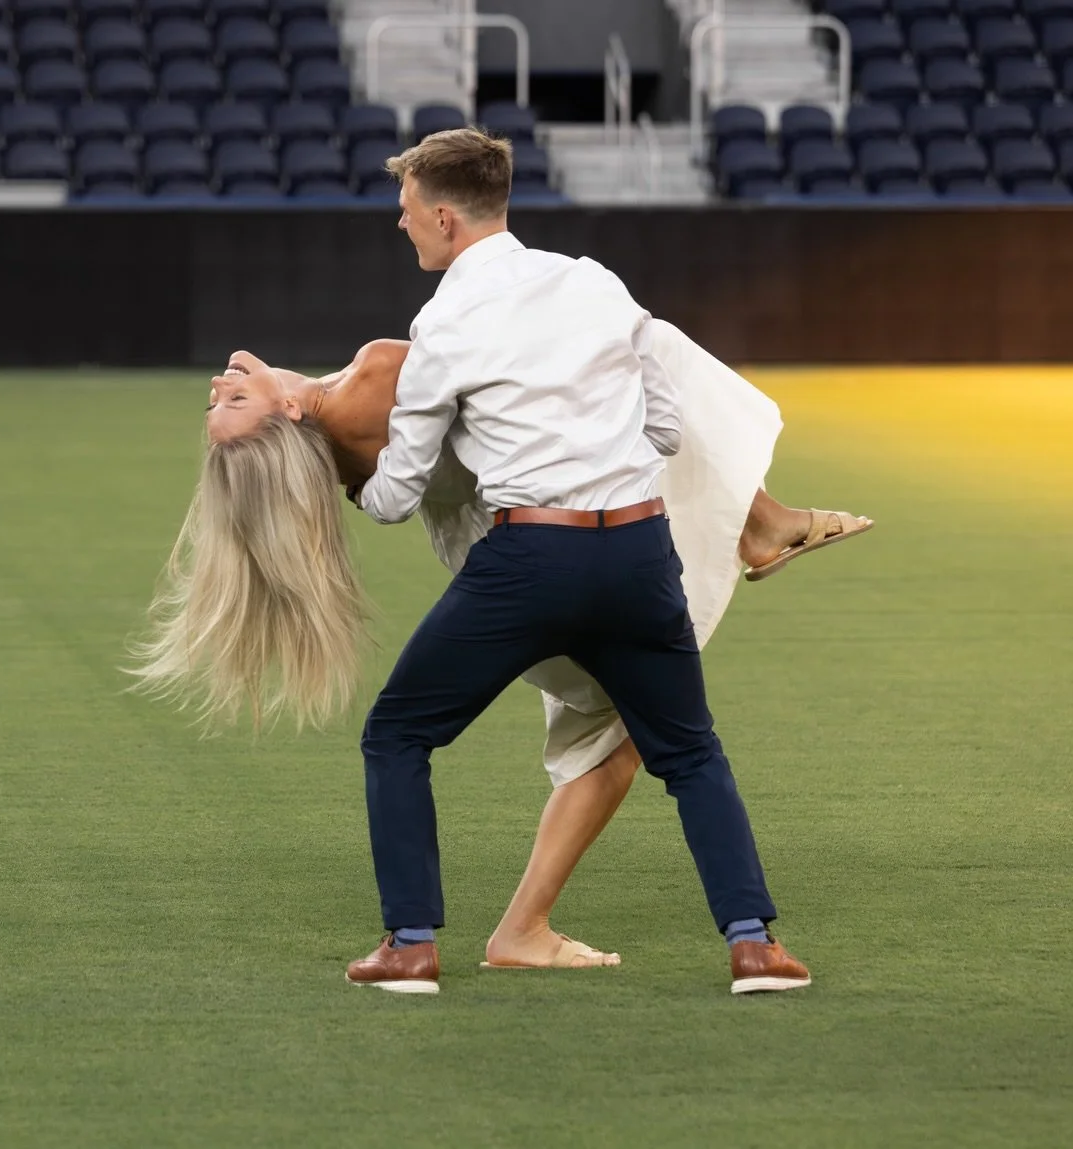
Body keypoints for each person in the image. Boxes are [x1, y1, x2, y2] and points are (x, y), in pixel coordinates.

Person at [149, 336, 867, 974]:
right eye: (235, 398)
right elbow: (525, 375)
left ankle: (444, 939)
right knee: (634, 341)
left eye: (222, 396)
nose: (219, 383)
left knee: (521, 735)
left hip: (494, 569)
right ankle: (752, 941)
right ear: (290, 416)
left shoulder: (334, 460)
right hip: (559, 540)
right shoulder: (373, 374)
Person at [331, 126, 817, 997]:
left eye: (405, 212)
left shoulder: (442, 321)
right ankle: (755, 946)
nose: (400, 226)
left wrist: (339, 479)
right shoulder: (592, 280)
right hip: (637, 553)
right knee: (692, 753)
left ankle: (409, 946)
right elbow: (666, 421)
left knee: (398, 733)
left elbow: (400, 492)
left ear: (444, 217)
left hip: (527, 562)